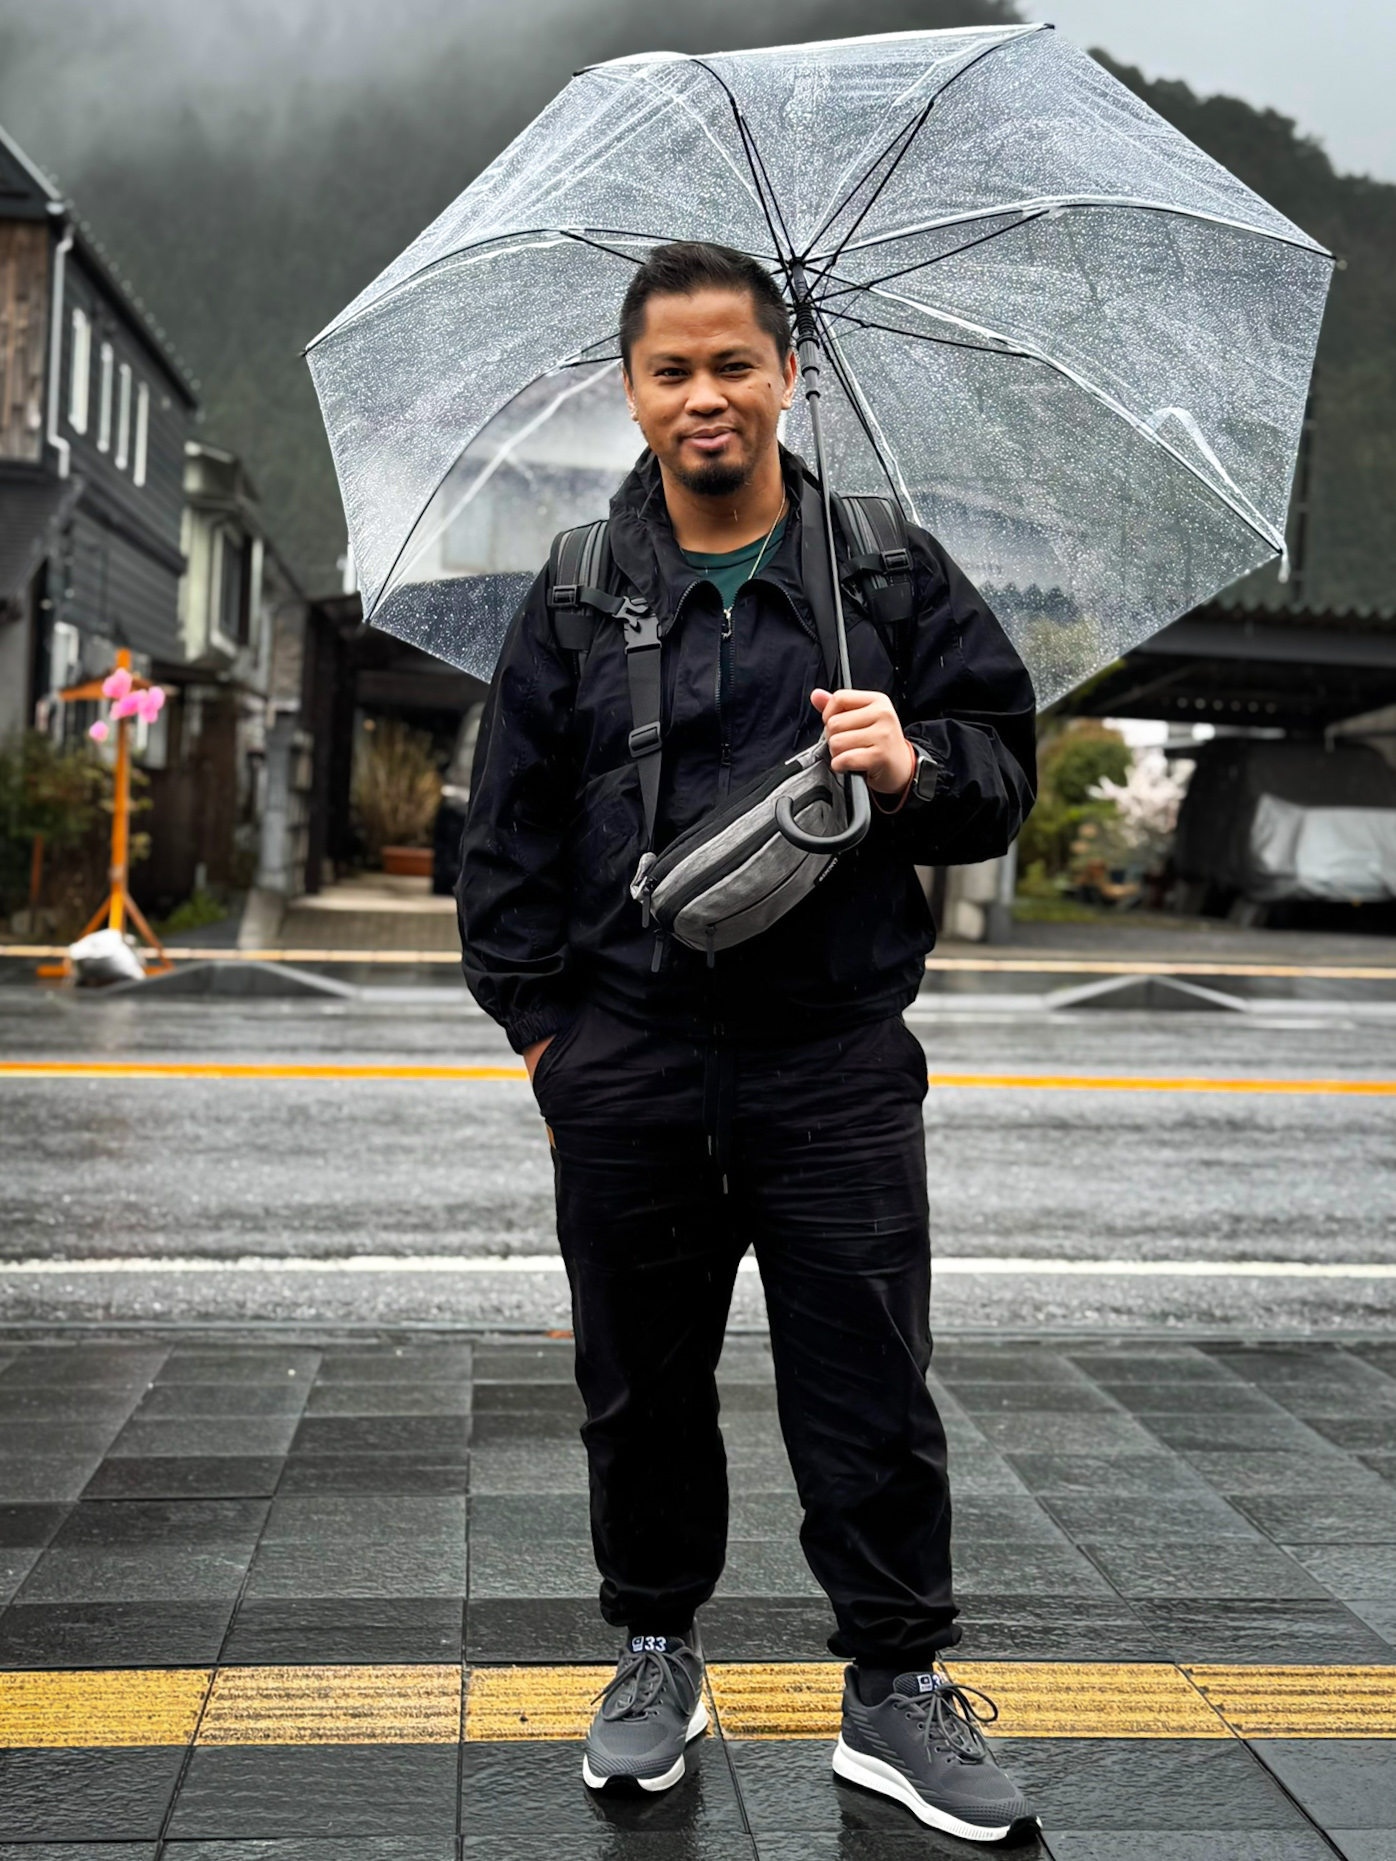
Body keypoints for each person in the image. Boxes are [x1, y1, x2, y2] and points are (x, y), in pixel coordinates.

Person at [458, 241, 1039, 1842]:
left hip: (834, 1059)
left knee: (869, 1383)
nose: (704, 396)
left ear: (789, 373)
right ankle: (657, 1647)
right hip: (629, 1060)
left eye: (734, 364)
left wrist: (914, 763)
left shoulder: (888, 571)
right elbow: (502, 839)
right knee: (638, 1386)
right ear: (632, 391)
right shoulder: (578, 589)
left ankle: (894, 1688)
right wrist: (548, 1046)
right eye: (672, 371)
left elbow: (1004, 771)